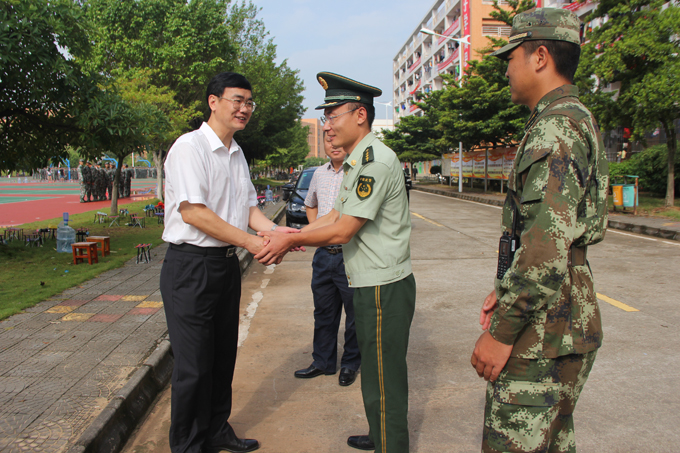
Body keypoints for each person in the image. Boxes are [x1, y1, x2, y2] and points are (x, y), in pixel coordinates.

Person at [470, 8, 609, 453]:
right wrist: (506, 287)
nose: (506, 70)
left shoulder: (556, 128)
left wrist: (501, 333)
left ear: (541, 57)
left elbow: (544, 251)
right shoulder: (572, 117)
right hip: (561, 316)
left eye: (511, 57)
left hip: (544, 328)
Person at [255, 72, 415, 453]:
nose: (327, 125)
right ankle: (380, 434)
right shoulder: (356, 162)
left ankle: (391, 445)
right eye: (325, 117)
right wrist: (287, 234)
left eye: (333, 115)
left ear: (360, 115)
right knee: (373, 372)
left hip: (383, 287)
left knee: (385, 377)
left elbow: (343, 230)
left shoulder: (375, 162)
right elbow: (330, 215)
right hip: (369, 282)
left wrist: (287, 241)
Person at [160, 71, 300, 453]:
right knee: (193, 366)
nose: (245, 109)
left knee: (223, 357)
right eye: (237, 100)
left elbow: (249, 210)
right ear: (213, 101)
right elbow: (193, 213)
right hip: (191, 268)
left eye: (249, 103)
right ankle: (188, 445)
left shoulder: (237, 154)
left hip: (225, 266)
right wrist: (252, 243)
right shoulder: (189, 148)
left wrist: (279, 233)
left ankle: (217, 430)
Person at [294, 132, 361, 386]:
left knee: (354, 315)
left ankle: (350, 363)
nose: (333, 144)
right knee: (324, 312)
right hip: (323, 255)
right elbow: (310, 203)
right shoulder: (318, 174)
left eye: (337, 138)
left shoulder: (357, 172)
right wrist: (316, 230)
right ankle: (323, 362)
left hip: (351, 254)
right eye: (327, 140)